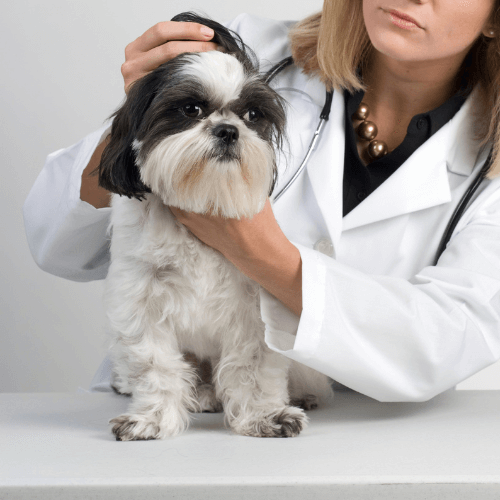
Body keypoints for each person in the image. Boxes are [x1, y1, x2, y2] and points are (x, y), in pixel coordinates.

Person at [23, 0, 500, 402]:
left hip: (352, 440)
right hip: (160, 414)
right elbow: (57, 243)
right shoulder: (249, 57)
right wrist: (139, 118)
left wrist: (262, 253)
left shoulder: (490, 172)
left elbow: (444, 341)